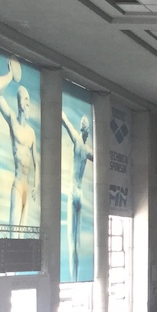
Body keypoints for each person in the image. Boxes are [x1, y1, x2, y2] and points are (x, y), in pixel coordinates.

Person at [0, 57, 38, 227]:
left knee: (22, 234)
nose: (28, 103)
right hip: (17, 185)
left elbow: (36, 162)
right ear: (19, 101)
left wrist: (36, 184)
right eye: (25, 99)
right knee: (14, 230)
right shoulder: (13, 121)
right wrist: (10, 75)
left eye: (29, 100)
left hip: (27, 187)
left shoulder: (32, 132)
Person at [62, 111, 93, 280]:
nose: (87, 135)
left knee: (72, 241)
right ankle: (74, 279)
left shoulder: (78, 141)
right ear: (85, 131)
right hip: (79, 193)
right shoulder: (87, 149)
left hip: (74, 190)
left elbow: (65, 120)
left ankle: (74, 279)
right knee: (76, 242)